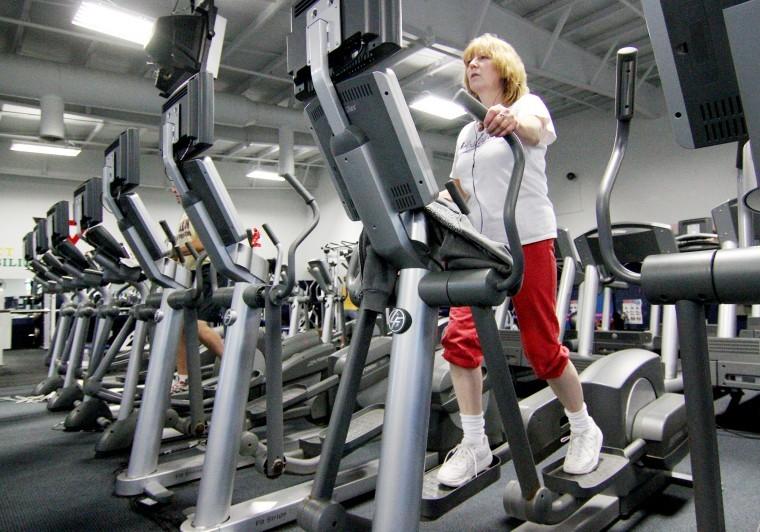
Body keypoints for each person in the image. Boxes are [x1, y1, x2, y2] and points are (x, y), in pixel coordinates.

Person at [436, 34, 603, 487]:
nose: (472, 66)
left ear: (503, 66)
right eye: (467, 60)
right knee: (459, 340)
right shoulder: (466, 132)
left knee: (541, 347)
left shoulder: (528, 105)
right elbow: (459, 188)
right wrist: (435, 203)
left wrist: (511, 120)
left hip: (526, 237)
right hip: (478, 247)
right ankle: (474, 445)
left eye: (482, 58)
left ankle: (585, 426)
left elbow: (533, 131)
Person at [169, 186, 225, 393]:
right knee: (181, 326)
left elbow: (201, 243)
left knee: (199, 326)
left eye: (176, 187)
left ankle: (232, 367)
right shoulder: (184, 215)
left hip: (209, 270)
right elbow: (183, 248)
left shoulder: (198, 210)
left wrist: (172, 252)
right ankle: (183, 378)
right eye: (171, 188)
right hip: (192, 272)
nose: (173, 191)